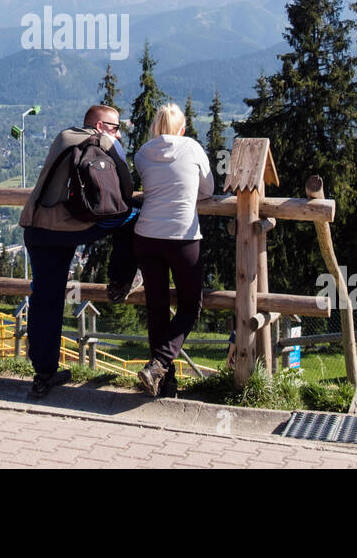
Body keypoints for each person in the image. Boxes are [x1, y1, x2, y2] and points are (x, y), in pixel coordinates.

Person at [19, 104, 140, 399]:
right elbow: (126, 188)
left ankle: (43, 374)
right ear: (99, 126)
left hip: (37, 228)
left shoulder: (63, 136)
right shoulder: (106, 142)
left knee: (45, 300)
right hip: (68, 229)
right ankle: (121, 280)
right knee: (134, 215)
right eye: (114, 126)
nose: (118, 132)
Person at [132, 102, 214, 398]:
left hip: (146, 236)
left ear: (156, 127)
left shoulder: (143, 153)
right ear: (183, 128)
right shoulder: (192, 148)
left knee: (157, 307)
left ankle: (164, 383)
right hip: (182, 237)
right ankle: (159, 366)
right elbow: (208, 190)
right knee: (191, 306)